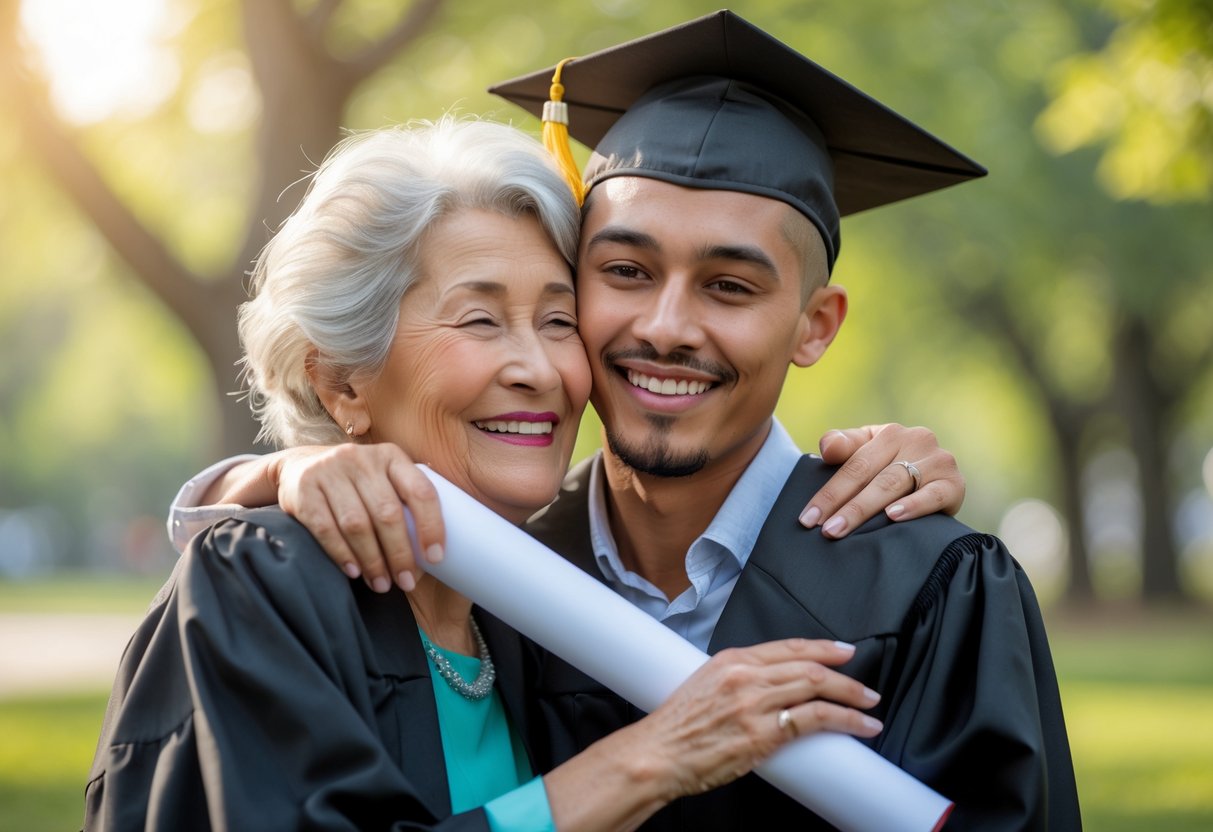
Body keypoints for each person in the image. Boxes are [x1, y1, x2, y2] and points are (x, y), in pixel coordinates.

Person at [163, 10, 1081, 829]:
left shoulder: (926, 587)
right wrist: (273, 472)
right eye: (623, 273)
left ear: (814, 324)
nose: (665, 327)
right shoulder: (499, 579)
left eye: (728, 287)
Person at [83, 118, 886, 831]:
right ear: (340, 382)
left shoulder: (531, 608)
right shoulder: (261, 587)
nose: (539, 369)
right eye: (479, 319)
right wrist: (650, 759)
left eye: (558, 321)